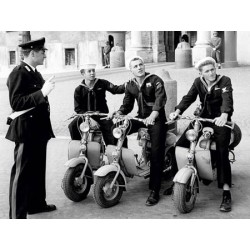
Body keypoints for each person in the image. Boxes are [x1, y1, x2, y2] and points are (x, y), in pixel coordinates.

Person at [169, 57, 234, 212]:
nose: (211, 73)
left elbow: (227, 100)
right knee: (179, 146)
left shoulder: (225, 81)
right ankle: (177, 182)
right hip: (202, 118)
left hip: (220, 120)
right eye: (207, 71)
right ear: (201, 73)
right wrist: (177, 111)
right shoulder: (198, 82)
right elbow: (188, 98)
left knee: (222, 151)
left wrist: (224, 115)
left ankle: (226, 193)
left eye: (212, 69)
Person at [5, 37, 56, 219]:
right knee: (22, 175)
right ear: (32, 53)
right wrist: (42, 92)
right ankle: (16, 216)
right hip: (26, 131)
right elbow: (17, 102)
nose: (45, 55)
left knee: (37, 169)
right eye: (42, 52)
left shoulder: (34, 72)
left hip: (38, 131)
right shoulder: (18, 72)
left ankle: (35, 204)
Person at [111, 56, 167, 206]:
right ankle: (122, 164)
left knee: (156, 151)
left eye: (140, 64)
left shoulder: (155, 80)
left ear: (144, 65)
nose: (139, 68)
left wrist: (153, 115)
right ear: (131, 69)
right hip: (141, 118)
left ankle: (155, 190)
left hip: (156, 119)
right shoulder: (131, 84)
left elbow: (160, 99)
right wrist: (119, 112)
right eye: (135, 66)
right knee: (118, 129)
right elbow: (127, 105)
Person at [68, 64, 125, 145]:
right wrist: (89, 119)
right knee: (73, 125)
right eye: (89, 71)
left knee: (111, 130)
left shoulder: (102, 83)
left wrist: (127, 85)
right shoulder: (79, 89)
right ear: (83, 73)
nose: (92, 73)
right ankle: (78, 147)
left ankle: (111, 151)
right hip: (85, 116)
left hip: (102, 116)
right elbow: (77, 109)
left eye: (93, 70)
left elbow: (116, 89)